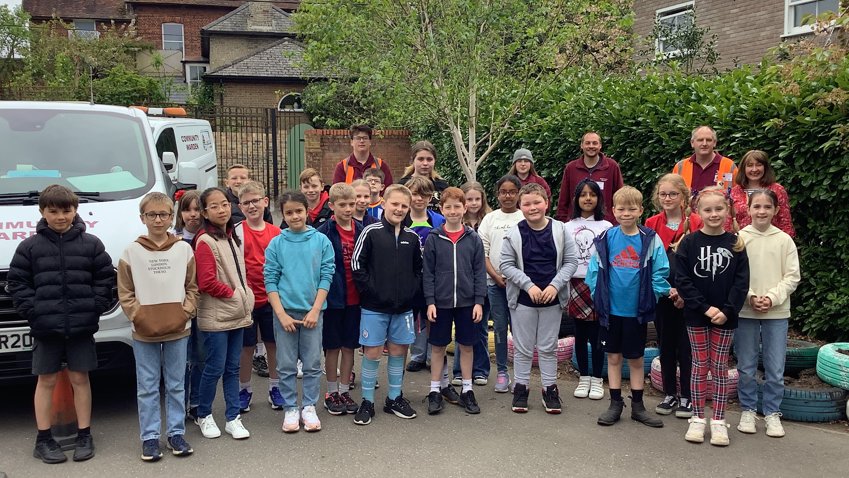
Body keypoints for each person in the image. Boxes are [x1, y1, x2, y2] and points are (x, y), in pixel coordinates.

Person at [7, 185, 115, 464]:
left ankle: (84, 434)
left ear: (75, 210)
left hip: (81, 326)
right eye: (52, 211)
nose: (60, 217)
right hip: (46, 328)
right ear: (42, 212)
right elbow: (17, 284)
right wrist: (35, 312)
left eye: (66, 210)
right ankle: (43, 438)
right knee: (46, 381)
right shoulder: (29, 247)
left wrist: (94, 308)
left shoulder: (91, 244)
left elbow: (105, 280)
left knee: (81, 379)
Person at [118, 192, 199, 461]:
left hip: (178, 327)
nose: (158, 219)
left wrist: (185, 311)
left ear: (170, 217)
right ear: (142, 218)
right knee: (148, 386)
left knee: (176, 384)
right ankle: (150, 438)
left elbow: (192, 287)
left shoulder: (183, 249)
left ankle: (176, 433)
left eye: (163, 214)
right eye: (151, 215)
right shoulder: (131, 251)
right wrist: (137, 316)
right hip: (144, 330)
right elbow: (125, 292)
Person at [586, 186, 670, 429]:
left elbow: (661, 271)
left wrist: (651, 296)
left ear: (640, 210)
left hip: (637, 313)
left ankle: (638, 406)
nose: (626, 213)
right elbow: (594, 272)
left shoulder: (649, 239)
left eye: (632, 208)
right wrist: (598, 297)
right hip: (611, 312)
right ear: (613, 211)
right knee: (613, 357)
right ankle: (615, 403)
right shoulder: (606, 239)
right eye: (621, 209)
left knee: (635, 359)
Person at [673, 186, 749, 446]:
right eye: (708, 209)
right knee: (698, 365)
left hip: (726, 317)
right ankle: (697, 418)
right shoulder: (689, 243)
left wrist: (727, 310)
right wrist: (705, 307)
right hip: (697, 314)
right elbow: (682, 280)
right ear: (698, 212)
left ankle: (718, 421)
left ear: (727, 211)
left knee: (719, 368)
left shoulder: (736, 244)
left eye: (719, 209)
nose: (714, 214)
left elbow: (741, 283)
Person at [501, 184, 578, 414]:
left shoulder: (561, 230)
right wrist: (528, 285)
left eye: (537, 202)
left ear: (547, 203)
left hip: (552, 300)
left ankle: (549, 389)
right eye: (527, 204)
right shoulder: (514, 233)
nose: (532, 207)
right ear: (520, 206)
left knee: (547, 347)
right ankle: (521, 387)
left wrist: (555, 285)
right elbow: (506, 264)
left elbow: (571, 262)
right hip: (524, 300)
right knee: (523, 348)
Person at [350, 184, 423, 425]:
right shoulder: (370, 232)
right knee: (371, 352)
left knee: (398, 351)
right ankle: (367, 401)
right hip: (374, 307)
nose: (399, 209)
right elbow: (357, 265)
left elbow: (419, 270)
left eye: (404, 205)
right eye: (395, 204)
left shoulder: (412, 238)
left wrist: (411, 293)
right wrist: (372, 292)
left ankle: (394, 398)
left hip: (403, 309)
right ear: (383, 203)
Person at [264, 190, 335, 433]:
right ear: (282, 215)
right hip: (284, 313)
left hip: (313, 313)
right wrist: (281, 314)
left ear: (307, 211)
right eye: (289, 212)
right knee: (285, 364)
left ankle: (309, 406)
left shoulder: (321, 241)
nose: (295, 216)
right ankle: (290, 408)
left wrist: (316, 310)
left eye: (299, 211)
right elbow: (270, 280)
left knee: (313, 362)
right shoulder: (277, 243)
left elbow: (327, 276)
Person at [736, 189, 800, 438]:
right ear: (748, 209)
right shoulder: (739, 238)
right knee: (746, 365)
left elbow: (792, 276)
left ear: (775, 210)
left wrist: (772, 298)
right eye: (757, 207)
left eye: (767, 207)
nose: (761, 211)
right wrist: (750, 296)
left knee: (775, 367)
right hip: (745, 310)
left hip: (777, 313)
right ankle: (748, 409)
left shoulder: (784, 240)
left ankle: (773, 413)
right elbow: (735, 276)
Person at [193, 187, 254, 440]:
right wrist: (235, 295)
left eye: (225, 204)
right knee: (214, 367)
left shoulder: (230, 236)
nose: (222, 209)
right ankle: (204, 414)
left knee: (232, 367)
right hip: (217, 316)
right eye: (215, 206)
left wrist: (242, 296)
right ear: (205, 212)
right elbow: (206, 282)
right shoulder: (205, 240)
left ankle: (232, 417)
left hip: (236, 314)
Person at [423, 187, 487, 415]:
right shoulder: (434, 238)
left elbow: (479, 272)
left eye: (457, 206)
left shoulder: (473, 238)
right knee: (438, 346)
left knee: (467, 345)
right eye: (448, 207)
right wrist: (430, 301)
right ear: (441, 209)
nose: (452, 211)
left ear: (465, 208)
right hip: (440, 303)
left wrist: (479, 301)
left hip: (468, 303)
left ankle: (467, 390)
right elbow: (428, 273)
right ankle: (434, 390)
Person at [644, 174, 702, 418]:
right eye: (663, 194)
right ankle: (669, 393)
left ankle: (687, 397)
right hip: (662, 294)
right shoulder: (651, 222)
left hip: (689, 295)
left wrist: (684, 292)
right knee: (666, 343)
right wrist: (667, 290)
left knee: (686, 346)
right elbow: (649, 260)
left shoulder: (697, 222)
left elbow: (699, 261)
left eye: (673, 194)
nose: (667, 198)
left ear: (683, 197)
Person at [233, 182, 283, 414]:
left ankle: (275, 387)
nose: (252, 206)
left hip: (272, 298)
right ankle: (244, 389)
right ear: (240, 206)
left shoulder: (277, 233)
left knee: (273, 344)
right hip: (247, 299)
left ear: (266, 201)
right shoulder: (235, 232)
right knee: (247, 347)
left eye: (256, 200)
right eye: (246, 203)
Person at [317, 183, 365, 416]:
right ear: (331, 205)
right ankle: (332, 391)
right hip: (333, 298)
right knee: (332, 347)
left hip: (356, 299)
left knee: (349, 346)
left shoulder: (363, 229)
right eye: (342, 205)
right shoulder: (323, 233)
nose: (348, 209)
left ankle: (345, 390)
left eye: (351, 204)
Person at [564, 179, 612, 401]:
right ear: (576, 199)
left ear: (599, 199)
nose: (587, 198)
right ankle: (583, 376)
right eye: (583, 194)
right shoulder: (567, 226)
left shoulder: (606, 227)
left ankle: (597, 379)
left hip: (598, 284)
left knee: (598, 333)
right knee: (580, 334)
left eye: (592, 194)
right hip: (575, 283)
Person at [478, 175, 524, 393]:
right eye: (503, 192)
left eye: (512, 191)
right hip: (494, 284)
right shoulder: (490, 219)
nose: (508, 195)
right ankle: (503, 372)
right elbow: (482, 252)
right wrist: (496, 277)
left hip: (521, 285)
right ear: (497, 195)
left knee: (520, 330)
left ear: (518, 194)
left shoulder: (525, 217)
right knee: (499, 328)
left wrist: (517, 278)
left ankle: (520, 375)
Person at [451, 181, 493, 385]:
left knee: (482, 328)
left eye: (477, 199)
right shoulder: (456, 222)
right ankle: (459, 370)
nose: (474, 203)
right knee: (462, 329)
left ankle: (480, 369)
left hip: (483, 283)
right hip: (461, 285)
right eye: (469, 199)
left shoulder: (490, 220)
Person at [404, 176, 446, 373]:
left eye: (424, 195)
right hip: (408, 277)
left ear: (431, 197)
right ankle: (417, 355)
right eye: (414, 194)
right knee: (413, 318)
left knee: (432, 317)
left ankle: (432, 356)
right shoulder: (401, 218)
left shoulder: (439, 221)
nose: (419, 199)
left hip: (433, 278)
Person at [175, 191, 206, 422]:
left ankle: (196, 402)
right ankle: (180, 403)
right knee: (182, 359)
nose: (193, 215)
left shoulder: (209, 237)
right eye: (188, 210)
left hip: (205, 306)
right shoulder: (173, 240)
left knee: (200, 357)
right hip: (181, 307)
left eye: (197, 209)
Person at [556, 132, 624, 224]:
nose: (591, 146)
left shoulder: (612, 166)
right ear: (581, 145)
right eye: (587, 143)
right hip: (576, 223)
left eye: (595, 143)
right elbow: (564, 199)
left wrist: (617, 222)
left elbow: (620, 197)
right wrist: (562, 222)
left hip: (606, 222)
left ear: (600, 145)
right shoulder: (571, 168)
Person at [729, 150, 795, 237]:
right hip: (742, 243)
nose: (754, 169)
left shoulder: (777, 190)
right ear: (743, 169)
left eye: (759, 165)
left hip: (771, 242)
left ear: (765, 168)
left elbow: (785, 222)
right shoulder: (733, 193)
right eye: (750, 165)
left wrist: (785, 244)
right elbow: (727, 223)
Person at [672, 126, 737, 195]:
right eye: (700, 140)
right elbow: (672, 193)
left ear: (714, 143)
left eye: (708, 140)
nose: (704, 144)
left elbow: (739, 194)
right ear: (692, 143)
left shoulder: (729, 165)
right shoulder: (680, 167)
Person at [398, 140, 450, 213]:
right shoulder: (403, 184)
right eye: (421, 159)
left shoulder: (442, 185)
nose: (425, 163)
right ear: (413, 160)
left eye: (429, 159)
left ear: (435, 161)